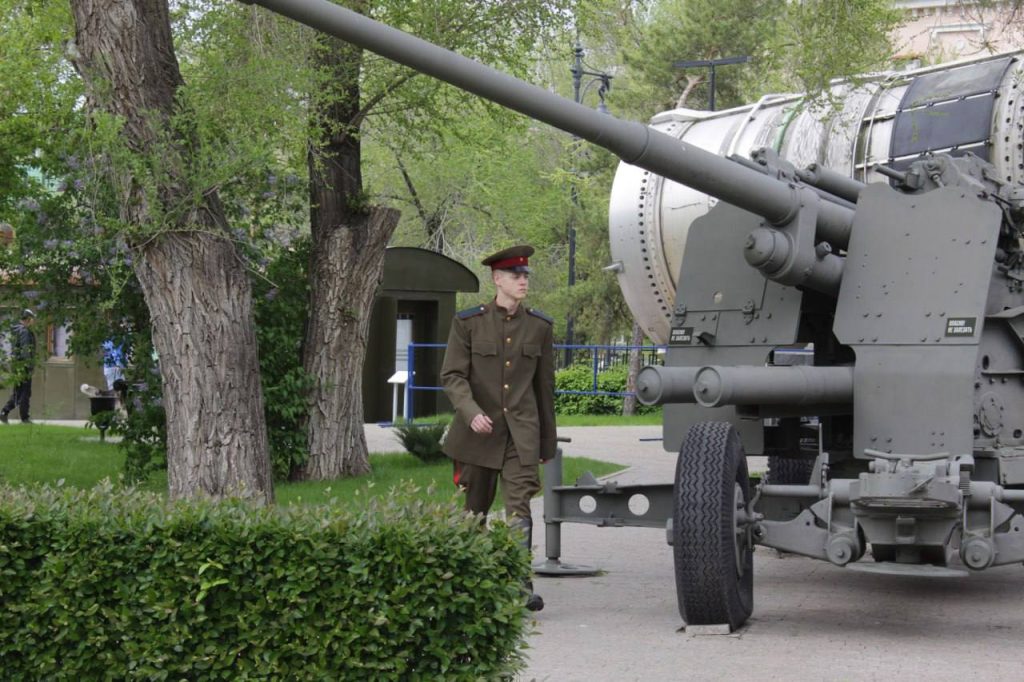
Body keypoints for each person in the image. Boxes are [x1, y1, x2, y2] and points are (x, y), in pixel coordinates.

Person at [440, 244, 556, 612]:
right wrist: (470, 411)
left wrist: (546, 443)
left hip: (521, 435)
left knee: (519, 508)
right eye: (515, 275)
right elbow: (452, 375)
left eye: (525, 275)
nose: (523, 281)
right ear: (497, 279)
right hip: (478, 434)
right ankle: (470, 583)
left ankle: (519, 585)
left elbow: (544, 389)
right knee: (474, 510)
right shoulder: (468, 323)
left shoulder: (539, 326)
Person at [1, 309, 37, 424]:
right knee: (24, 392)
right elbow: (26, 350)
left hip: (18, 365)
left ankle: (4, 412)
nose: (33, 322)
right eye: (32, 319)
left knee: (19, 392)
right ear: (28, 319)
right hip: (23, 366)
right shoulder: (24, 331)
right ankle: (24, 418)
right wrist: (29, 366)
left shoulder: (17, 330)